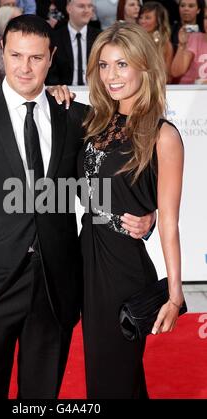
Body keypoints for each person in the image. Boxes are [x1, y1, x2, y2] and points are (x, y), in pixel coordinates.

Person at [0, 14, 153, 399]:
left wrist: (147, 216)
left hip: (54, 289)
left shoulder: (78, 117)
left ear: (51, 57)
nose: (24, 67)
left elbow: (105, 184)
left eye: (35, 58)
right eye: (16, 55)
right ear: (2, 52)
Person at [76, 21, 184, 398]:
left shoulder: (162, 134)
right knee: (107, 375)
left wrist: (174, 295)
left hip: (123, 269)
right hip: (88, 258)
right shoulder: (94, 121)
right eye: (104, 66)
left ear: (144, 67)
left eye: (122, 64)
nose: (111, 75)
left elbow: (169, 221)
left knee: (112, 377)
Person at [47, 0, 101, 85]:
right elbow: (51, 73)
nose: (87, 10)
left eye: (90, 6)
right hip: (64, 92)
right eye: (81, 6)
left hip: (94, 91)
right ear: (69, 8)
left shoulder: (100, 37)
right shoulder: (55, 38)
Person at [171, 5, 207, 84]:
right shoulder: (195, 38)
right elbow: (176, 72)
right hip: (189, 92)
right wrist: (182, 45)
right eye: (206, 18)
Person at [139, 1, 174, 82]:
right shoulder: (134, 40)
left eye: (147, 18)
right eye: (141, 17)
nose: (142, 21)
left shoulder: (165, 44)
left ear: (158, 21)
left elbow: (168, 77)